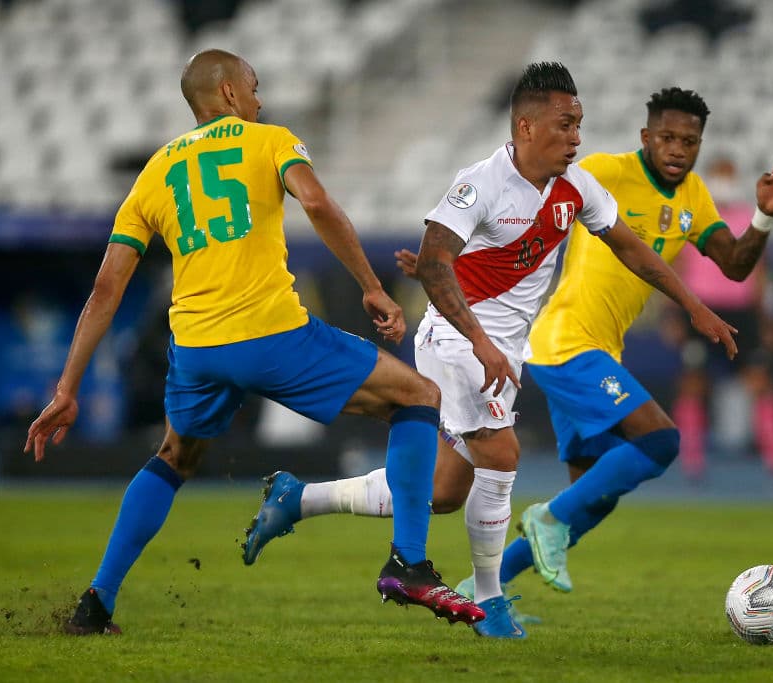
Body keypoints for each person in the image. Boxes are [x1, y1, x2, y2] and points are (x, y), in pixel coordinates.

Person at [240, 64, 738, 639]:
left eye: (579, 125)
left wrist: (693, 305)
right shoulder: (480, 182)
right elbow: (432, 263)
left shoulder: (577, 188)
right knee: (502, 455)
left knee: (445, 491)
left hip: (502, 347)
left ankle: (298, 499)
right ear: (526, 127)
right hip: (456, 339)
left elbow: (634, 250)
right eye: (564, 124)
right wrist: (481, 342)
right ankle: (491, 604)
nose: (576, 137)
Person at [24, 49, 483, 636]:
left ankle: (96, 603)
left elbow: (106, 289)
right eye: (255, 87)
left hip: (194, 350)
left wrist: (67, 388)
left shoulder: (156, 171)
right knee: (417, 395)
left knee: (174, 457)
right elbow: (315, 201)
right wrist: (371, 287)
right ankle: (410, 564)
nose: (261, 100)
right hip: (270, 335)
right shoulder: (267, 139)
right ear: (232, 96)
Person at [497, 87, 773, 601]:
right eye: (667, 138)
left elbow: (736, 265)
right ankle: (546, 518)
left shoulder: (694, 196)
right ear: (646, 137)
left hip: (597, 350)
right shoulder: (606, 172)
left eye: (689, 140)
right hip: (564, 340)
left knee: (594, 496)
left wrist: (764, 218)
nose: (678, 149)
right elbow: (532, 204)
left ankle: (482, 589)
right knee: (660, 441)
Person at [672, 156, 773, 481]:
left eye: (728, 175)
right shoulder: (692, 216)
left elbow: (760, 270)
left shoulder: (747, 218)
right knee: (693, 384)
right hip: (700, 308)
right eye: (719, 175)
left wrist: (766, 318)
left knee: (759, 382)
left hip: (741, 311)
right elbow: (677, 267)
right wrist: (674, 313)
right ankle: (692, 461)